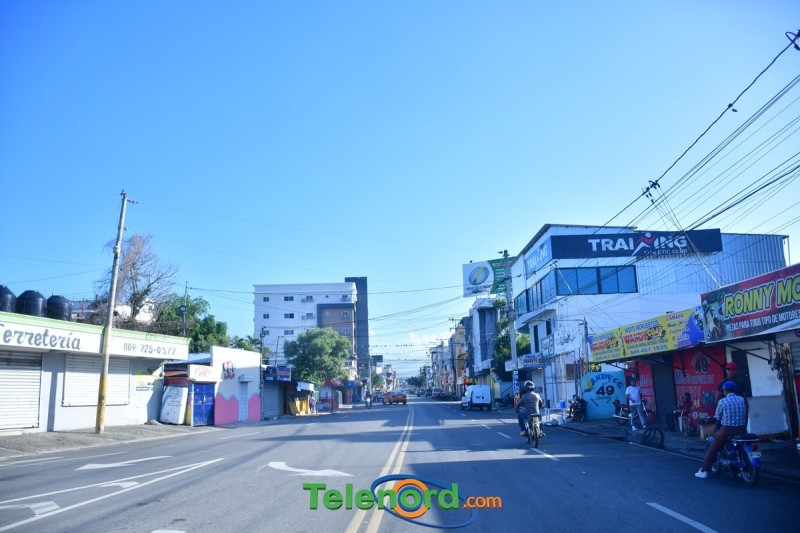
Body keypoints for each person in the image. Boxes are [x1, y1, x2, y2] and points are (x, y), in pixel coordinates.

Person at [695, 380, 747, 478]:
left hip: (727, 430)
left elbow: (717, 417)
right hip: (742, 429)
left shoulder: (722, 401)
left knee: (713, 448)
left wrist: (710, 419)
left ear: (725, 391)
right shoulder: (741, 399)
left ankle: (704, 470)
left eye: (723, 390)